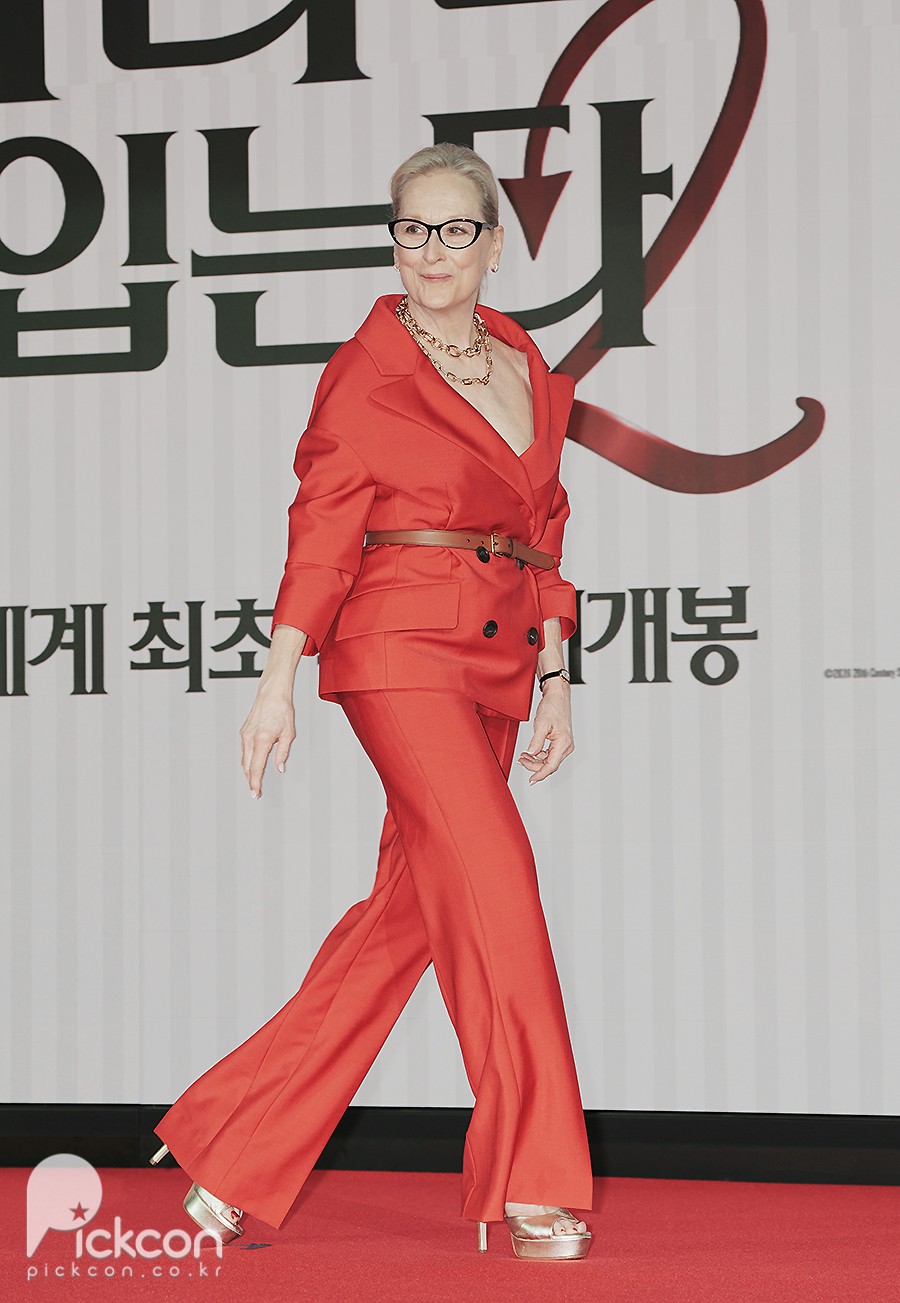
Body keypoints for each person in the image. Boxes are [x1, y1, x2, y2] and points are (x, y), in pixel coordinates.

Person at [150, 142, 593, 1262]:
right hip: (399, 647)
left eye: (455, 229)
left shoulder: (524, 358)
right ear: (394, 241)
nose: (432, 251)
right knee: (500, 886)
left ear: (495, 243)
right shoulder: (366, 369)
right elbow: (322, 526)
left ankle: (231, 1148)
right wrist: (278, 676)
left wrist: (556, 677)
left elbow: (544, 526)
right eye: (411, 229)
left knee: (407, 918)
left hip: (499, 656)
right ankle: (534, 1177)